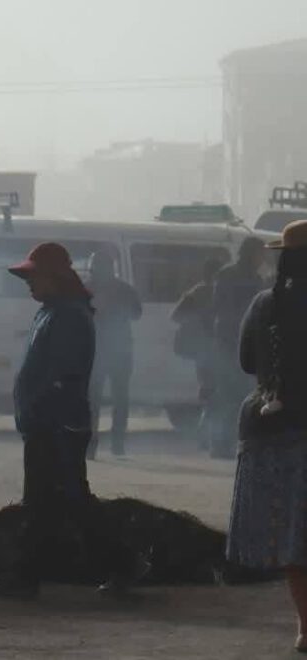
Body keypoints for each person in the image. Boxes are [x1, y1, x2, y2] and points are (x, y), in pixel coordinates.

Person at [0, 242, 134, 598]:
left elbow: (64, 376)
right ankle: (28, 574)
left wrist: (40, 408)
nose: (29, 284)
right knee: (46, 502)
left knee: (65, 501)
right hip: (46, 422)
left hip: (57, 424)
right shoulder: (52, 311)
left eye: (34, 277)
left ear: (55, 277)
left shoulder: (70, 317)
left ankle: (121, 565)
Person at [227, 220, 307, 653]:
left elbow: (245, 361)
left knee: (295, 538)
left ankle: (305, 626)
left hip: (270, 431)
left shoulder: (265, 304)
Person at [209, 237, 266, 458]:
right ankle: (221, 444)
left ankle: (228, 443)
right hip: (230, 342)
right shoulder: (231, 275)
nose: (262, 259)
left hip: (241, 342)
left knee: (237, 395)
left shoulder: (250, 277)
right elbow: (220, 307)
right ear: (251, 253)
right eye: (260, 253)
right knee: (229, 395)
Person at [86, 251, 142, 459]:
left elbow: (136, 313)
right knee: (112, 399)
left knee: (99, 400)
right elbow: (137, 313)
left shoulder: (88, 288)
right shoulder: (120, 288)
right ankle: (112, 444)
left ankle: (98, 445)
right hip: (108, 350)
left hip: (108, 350)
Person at [171, 258, 225, 445]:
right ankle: (208, 434)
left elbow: (176, 316)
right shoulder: (215, 291)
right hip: (215, 349)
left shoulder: (197, 292)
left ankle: (206, 434)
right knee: (216, 392)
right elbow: (177, 315)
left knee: (210, 392)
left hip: (204, 349)